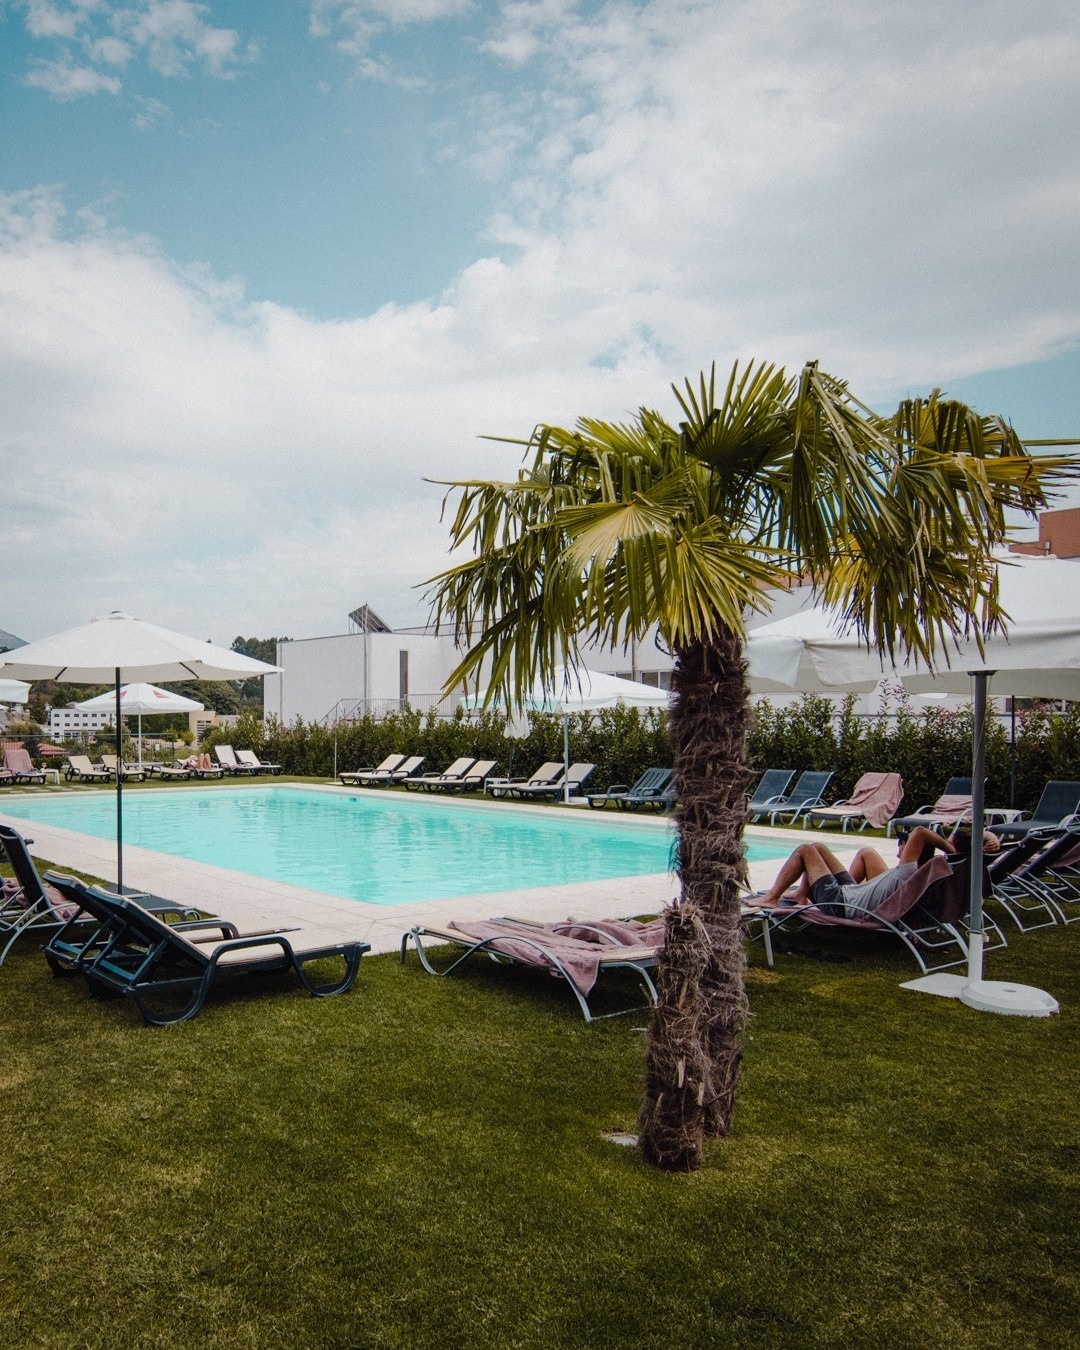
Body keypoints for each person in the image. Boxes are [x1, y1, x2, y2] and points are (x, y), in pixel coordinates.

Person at [749, 825, 965, 918]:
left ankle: (771, 898)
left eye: (903, 841)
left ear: (912, 849)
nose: (900, 844)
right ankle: (800, 894)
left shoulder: (906, 873)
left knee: (806, 850)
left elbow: (920, 832)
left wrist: (949, 847)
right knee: (819, 848)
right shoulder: (912, 875)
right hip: (851, 892)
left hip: (840, 903)